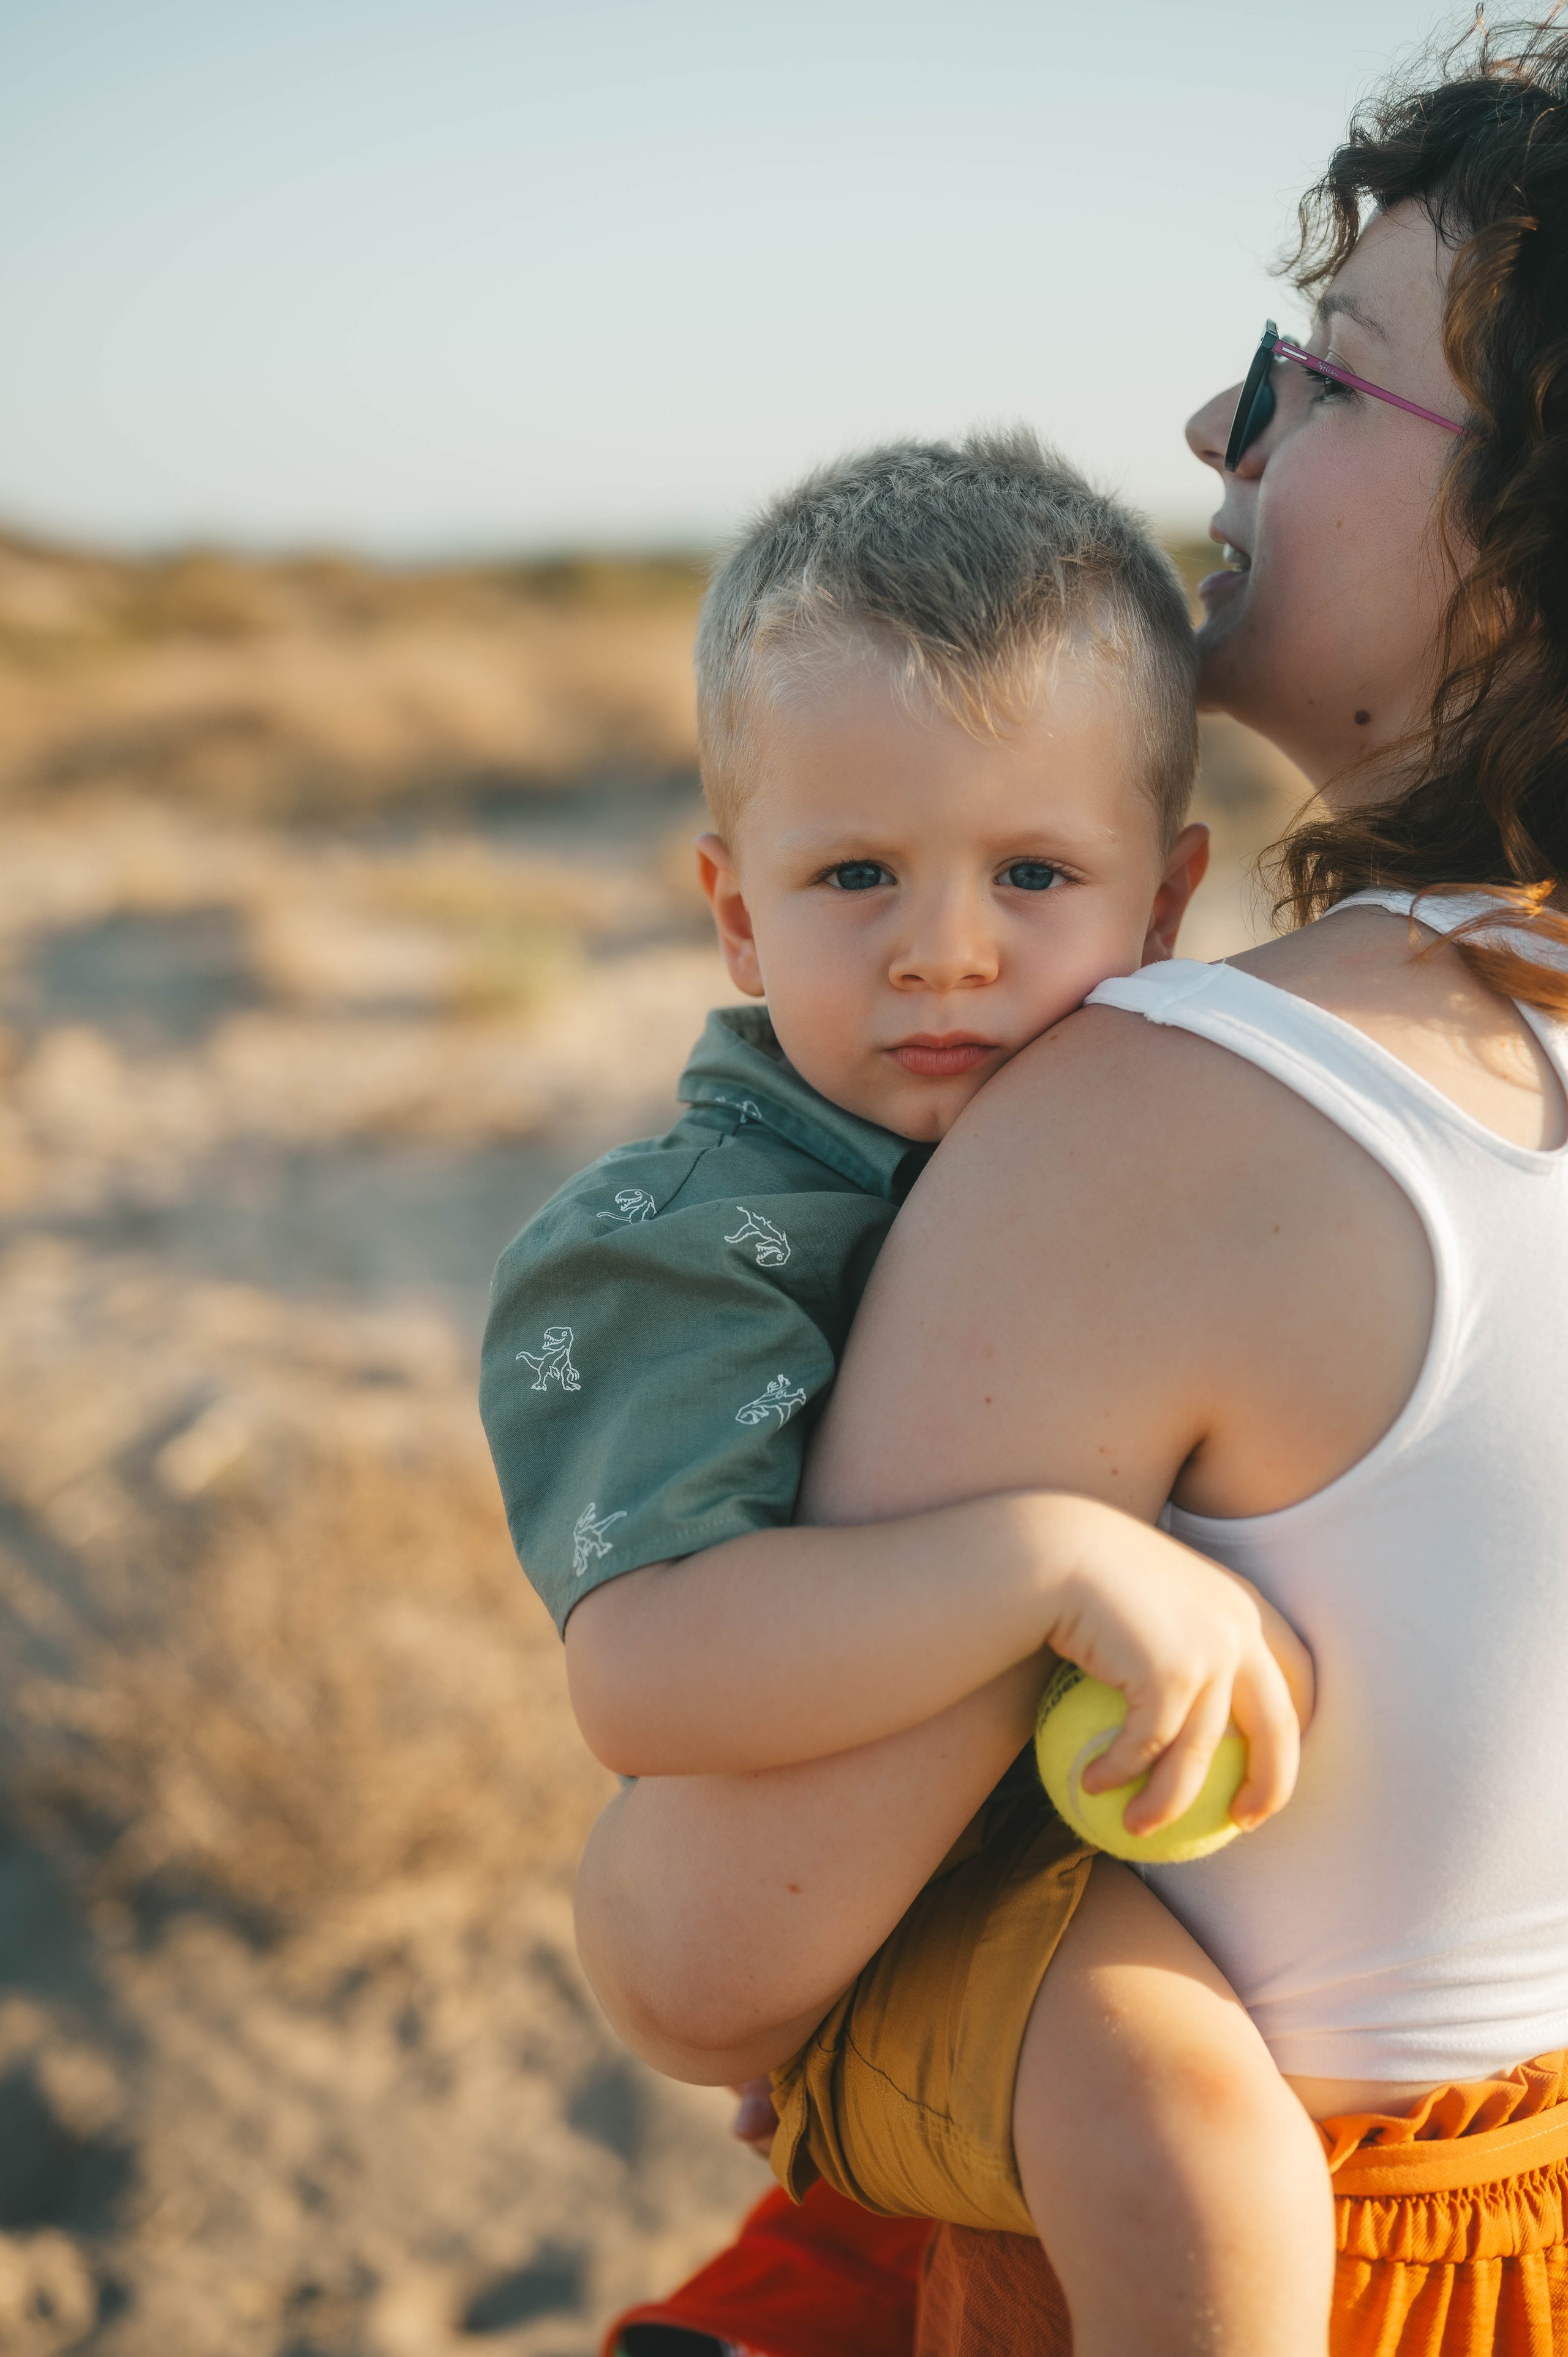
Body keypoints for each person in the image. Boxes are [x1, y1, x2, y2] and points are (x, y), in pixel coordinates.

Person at [576, 18, 1568, 2356]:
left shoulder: (1187, 1114)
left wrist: (888, 2010)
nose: (1224, 426)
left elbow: (706, 1961)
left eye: (1325, 375)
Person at [480, 436, 1332, 2351]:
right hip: (914, 1885)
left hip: (1119, 1842)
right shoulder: (686, 1246)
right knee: (1196, 2156)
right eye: (855, 874)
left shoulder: (1172, 1143)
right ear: (735, 912)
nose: (945, 948)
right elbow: (647, 1669)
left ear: (1171, 895)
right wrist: (1053, 1563)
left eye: (1034, 873)